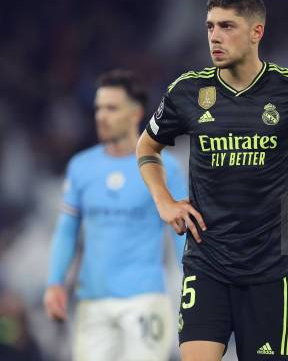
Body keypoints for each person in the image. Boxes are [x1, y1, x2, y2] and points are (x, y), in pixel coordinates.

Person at [136, 0, 288, 360]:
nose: (215, 36)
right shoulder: (187, 91)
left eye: (227, 26)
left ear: (256, 32)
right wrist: (164, 201)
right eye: (210, 26)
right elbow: (147, 147)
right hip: (207, 263)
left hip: (270, 270)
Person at [43, 69, 187, 361]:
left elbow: (181, 233)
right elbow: (67, 230)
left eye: (111, 108)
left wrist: (192, 288)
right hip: (93, 303)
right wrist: (55, 282)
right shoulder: (81, 168)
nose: (101, 116)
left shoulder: (166, 168)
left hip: (145, 302)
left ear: (135, 113)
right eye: (98, 108)